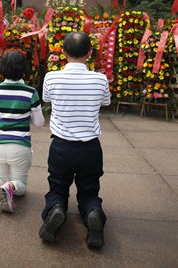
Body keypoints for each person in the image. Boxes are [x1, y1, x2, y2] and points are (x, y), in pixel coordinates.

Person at [39, 32, 111, 248]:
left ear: (63, 51)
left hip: (61, 146)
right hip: (90, 147)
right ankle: (92, 213)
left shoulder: (52, 77)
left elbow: (46, 99)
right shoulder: (100, 79)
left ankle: (56, 210)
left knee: (58, 187)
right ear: (89, 53)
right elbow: (105, 102)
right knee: (89, 189)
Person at [0, 50, 44, 213]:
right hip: (20, 146)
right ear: (24, 69)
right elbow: (39, 123)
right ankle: (10, 188)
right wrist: (26, 114)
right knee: (20, 187)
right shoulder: (30, 92)